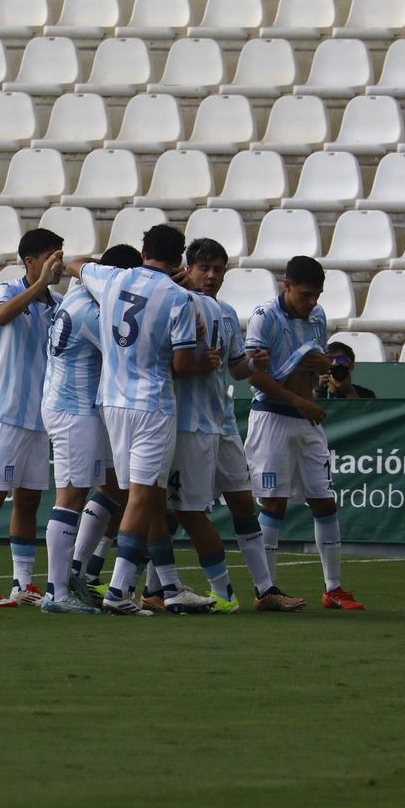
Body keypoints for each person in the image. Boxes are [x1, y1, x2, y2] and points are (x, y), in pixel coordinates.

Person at [66, 224, 216, 616]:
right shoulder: (179, 298)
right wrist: (201, 359)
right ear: (180, 258)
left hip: (111, 400)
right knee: (145, 495)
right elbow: (182, 365)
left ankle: (160, 585)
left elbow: (73, 263)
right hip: (152, 403)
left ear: (144, 249)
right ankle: (118, 590)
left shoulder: (112, 277)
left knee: (138, 495)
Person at [155, 238, 274, 614]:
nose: (211, 275)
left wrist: (256, 364)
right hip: (186, 423)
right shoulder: (174, 303)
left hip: (222, 421)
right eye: (203, 268)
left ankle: (266, 589)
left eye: (218, 269)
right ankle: (209, 591)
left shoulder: (225, 311)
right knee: (181, 510)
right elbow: (166, 361)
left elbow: (236, 369)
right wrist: (192, 362)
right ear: (187, 269)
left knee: (241, 501)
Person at [244, 255, 365, 612]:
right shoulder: (264, 317)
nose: (312, 301)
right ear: (288, 286)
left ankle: (333, 588)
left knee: (324, 500)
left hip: (305, 417)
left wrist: (328, 365)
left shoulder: (317, 316)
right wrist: (300, 401)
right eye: (306, 294)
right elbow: (253, 374)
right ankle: (266, 591)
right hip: (273, 417)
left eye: (317, 295)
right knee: (274, 502)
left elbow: (337, 364)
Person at [37, 243, 144, 615]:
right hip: (72, 410)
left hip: (80, 407)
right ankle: (56, 590)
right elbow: (126, 348)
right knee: (69, 495)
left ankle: (75, 573)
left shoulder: (81, 296)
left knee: (111, 488)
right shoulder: (88, 311)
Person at [0, 229, 64, 608]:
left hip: (39, 417)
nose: (59, 264)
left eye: (61, 256)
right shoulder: (7, 289)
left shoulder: (58, 304)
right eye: (52, 256)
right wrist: (38, 285)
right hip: (3, 411)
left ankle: (22, 583)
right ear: (31, 262)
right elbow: (1, 316)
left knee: (29, 500)